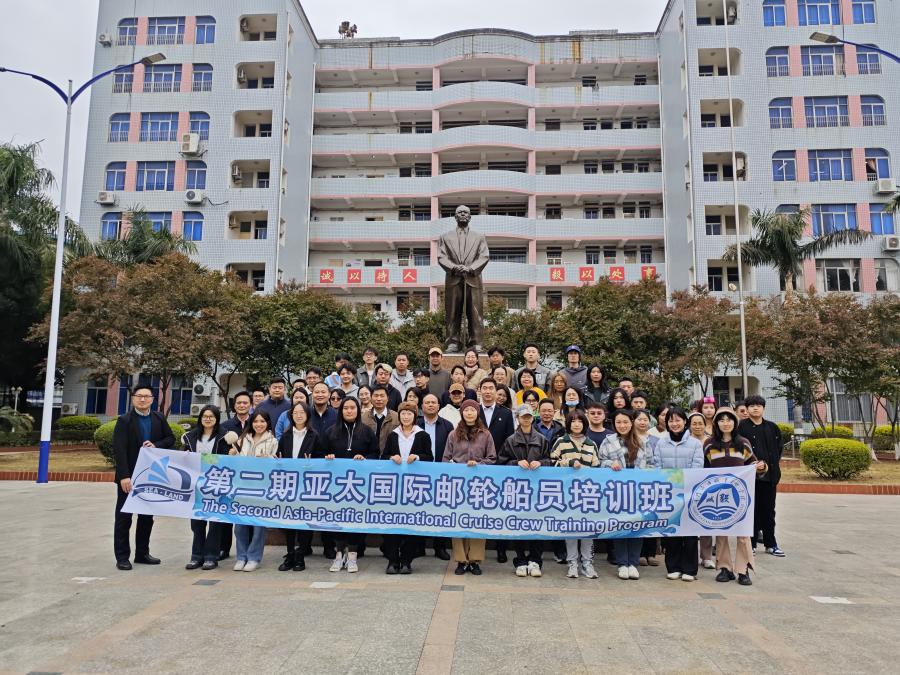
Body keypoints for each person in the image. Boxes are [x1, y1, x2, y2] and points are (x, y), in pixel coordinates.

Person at [112, 385, 176, 571]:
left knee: (146, 517)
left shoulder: (159, 418)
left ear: (152, 399)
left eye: (146, 396)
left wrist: (156, 445)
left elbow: (170, 438)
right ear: (133, 398)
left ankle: (142, 553)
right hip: (130, 477)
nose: (142, 399)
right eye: (139, 396)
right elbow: (119, 449)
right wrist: (124, 476)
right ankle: (122, 557)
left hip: (151, 476)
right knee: (124, 518)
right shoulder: (124, 420)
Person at [705, 407, 767, 586]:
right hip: (718, 496)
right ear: (716, 423)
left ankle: (743, 569)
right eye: (721, 420)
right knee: (721, 532)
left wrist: (761, 467)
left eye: (729, 419)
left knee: (743, 533)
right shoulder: (709, 444)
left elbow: (754, 463)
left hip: (740, 496)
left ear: (735, 422)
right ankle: (725, 568)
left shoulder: (743, 443)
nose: (726, 423)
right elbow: (704, 470)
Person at [598, 410, 656, 580]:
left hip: (638, 492)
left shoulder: (643, 442)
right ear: (614, 424)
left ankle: (633, 563)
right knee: (620, 527)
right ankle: (622, 563)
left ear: (631, 423)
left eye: (625, 422)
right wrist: (610, 464)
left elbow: (652, 464)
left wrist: (644, 473)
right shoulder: (608, 441)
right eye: (618, 422)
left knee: (637, 527)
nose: (622, 425)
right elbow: (600, 462)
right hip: (617, 491)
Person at [325, 397, 379, 572]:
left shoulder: (367, 431)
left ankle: (353, 557)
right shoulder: (331, 431)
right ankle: (339, 555)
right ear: (341, 411)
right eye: (346, 408)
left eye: (352, 408)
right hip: (336, 486)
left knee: (356, 519)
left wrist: (365, 458)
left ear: (358, 410)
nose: (349, 411)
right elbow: (321, 453)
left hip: (359, 486)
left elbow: (375, 453)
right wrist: (328, 457)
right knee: (337, 519)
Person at [443, 399, 496, 574]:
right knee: (458, 521)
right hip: (458, 486)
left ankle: (474, 560)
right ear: (462, 413)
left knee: (477, 521)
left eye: (473, 410)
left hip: (479, 486)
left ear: (477, 412)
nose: (469, 413)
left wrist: (478, 465)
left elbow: (492, 458)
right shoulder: (453, 434)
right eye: (466, 410)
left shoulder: (486, 434)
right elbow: (446, 458)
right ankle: (461, 560)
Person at [499, 405, 551, 577]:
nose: (526, 419)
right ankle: (520, 560)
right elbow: (501, 462)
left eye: (529, 416)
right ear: (518, 418)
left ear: (532, 418)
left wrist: (541, 463)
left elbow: (550, 461)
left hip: (538, 490)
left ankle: (535, 560)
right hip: (517, 490)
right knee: (518, 525)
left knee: (537, 524)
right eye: (523, 417)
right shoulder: (510, 440)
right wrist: (516, 463)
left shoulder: (542, 439)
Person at [381, 402, 433, 574]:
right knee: (392, 524)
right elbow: (383, 457)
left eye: (409, 414)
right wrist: (391, 457)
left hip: (414, 487)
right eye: (403, 413)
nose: (405, 416)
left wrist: (417, 457)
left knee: (411, 524)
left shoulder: (422, 435)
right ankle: (392, 560)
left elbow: (430, 457)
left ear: (415, 416)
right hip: (394, 488)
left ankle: (406, 560)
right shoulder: (393, 435)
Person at [653, 408, 704, 581]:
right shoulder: (661, 443)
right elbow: (657, 467)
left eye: (678, 420)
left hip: (689, 493)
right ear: (666, 423)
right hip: (669, 493)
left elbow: (697, 468)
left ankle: (690, 569)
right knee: (672, 531)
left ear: (685, 422)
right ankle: (673, 566)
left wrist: (684, 484)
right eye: (671, 420)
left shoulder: (695, 443)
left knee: (689, 532)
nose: (674, 424)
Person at [551, 410, 602, 579]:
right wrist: (569, 463)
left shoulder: (591, 444)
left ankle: (587, 563)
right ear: (568, 424)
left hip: (587, 493)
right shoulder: (561, 441)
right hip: (567, 493)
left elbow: (597, 468)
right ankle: (572, 563)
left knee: (587, 530)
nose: (577, 424)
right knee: (571, 529)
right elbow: (551, 463)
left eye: (580, 421)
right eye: (573, 421)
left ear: (584, 424)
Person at [182, 405, 230, 571]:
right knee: (197, 523)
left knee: (215, 523)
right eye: (205, 416)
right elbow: (184, 457)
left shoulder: (224, 437)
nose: (208, 419)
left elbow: (226, 459)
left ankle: (211, 557)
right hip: (196, 486)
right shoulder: (190, 437)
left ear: (217, 419)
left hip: (217, 485)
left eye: (211, 416)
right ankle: (196, 556)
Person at [229, 411, 278, 572]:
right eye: (256, 421)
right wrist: (232, 455)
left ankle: (254, 557)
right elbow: (234, 464)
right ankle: (241, 556)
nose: (259, 424)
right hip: (241, 488)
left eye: (262, 421)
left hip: (261, 489)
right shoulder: (242, 439)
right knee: (240, 525)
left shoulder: (273, 441)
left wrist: (268, 459)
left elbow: (277, 464)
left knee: (258, 526)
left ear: (267, 423)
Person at [275, 402, 321, 572]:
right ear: (291, 415)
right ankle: (290, 554)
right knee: (289, 522)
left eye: (302, 412)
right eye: (295, 413)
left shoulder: (314, 436)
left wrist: (312, 464)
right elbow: (279, 456)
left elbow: (321, 459)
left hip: (307, 485)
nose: (299, 415)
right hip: (289, 484)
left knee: (304, 521)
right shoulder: (285, 436)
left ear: (307, 415)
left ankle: (300, 555)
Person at [738, 395, 785, 557]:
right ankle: (750, 544)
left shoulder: (772, 427)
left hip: (770, 477)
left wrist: (769, 466)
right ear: (747, 409)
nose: (755, 408)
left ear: (763, 408)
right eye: (752, 406)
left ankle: (771, 544)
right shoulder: (741, 427)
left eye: (758, 405)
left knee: (769, 511)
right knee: (752, 511)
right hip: (749, 478)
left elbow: (778, 449)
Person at [478, 377, 515, 563]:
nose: (487, 391)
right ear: (480, 391)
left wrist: (500, 462)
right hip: (477, 467)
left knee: (501, 509)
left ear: (495, 391)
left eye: (490, 388)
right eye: (484, 388)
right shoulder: (473, 410)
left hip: (500, 467)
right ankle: (477, 551)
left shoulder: (506, 413)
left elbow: (509, 441)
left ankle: (501, 549)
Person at [418, 393, 455, 560]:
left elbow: (452, 448)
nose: (431, 405)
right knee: (419, 510)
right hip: (420, 474)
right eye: (427, 402)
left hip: (442, 474)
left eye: (434, 402)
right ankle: (418, 546)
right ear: (422, 406)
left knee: (441, 511)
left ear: (439, 406)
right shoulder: (416, 424)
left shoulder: (447, 425)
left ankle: (440, 547)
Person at [218, 390, 253, 560]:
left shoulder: (257, 423)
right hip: (230, 476)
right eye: (239, 403)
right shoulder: (225, 426)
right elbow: (219, 450)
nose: (242, 405)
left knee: (249, 512)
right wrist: (229, 453)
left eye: (245, 402)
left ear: (250, 405)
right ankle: (224, 548)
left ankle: (250, 549)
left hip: (251, 476)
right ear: (234, 405)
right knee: (227, 512)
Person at [687, 409, 714, 570]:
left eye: (700, 423)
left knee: (706, 520)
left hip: (708, 485)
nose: (697, 426)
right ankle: (691, 556)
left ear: (705, 425)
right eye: (694, 423)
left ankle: (707, 556)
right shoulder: (685, 441)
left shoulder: (711, 442)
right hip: (689, 484)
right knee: (690, 521)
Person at [633, 409, 661, 567]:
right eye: (639, 419)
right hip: (634, 484)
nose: (643, 422)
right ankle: (640, 554)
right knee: (637, 518)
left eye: (645, 419)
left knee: (650, 517)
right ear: (633, 421)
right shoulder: (629, 439)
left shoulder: (656, 440)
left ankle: (651, 553)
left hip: (651, 484)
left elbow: (659, 460)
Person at [362, 384, 400, 452]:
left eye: (382, 396)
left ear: (387, 398)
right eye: (376, 396)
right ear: (371, 398)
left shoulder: (397, 418)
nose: (379, 399)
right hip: (368, 456)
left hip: (390, 456)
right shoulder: (363, 418)